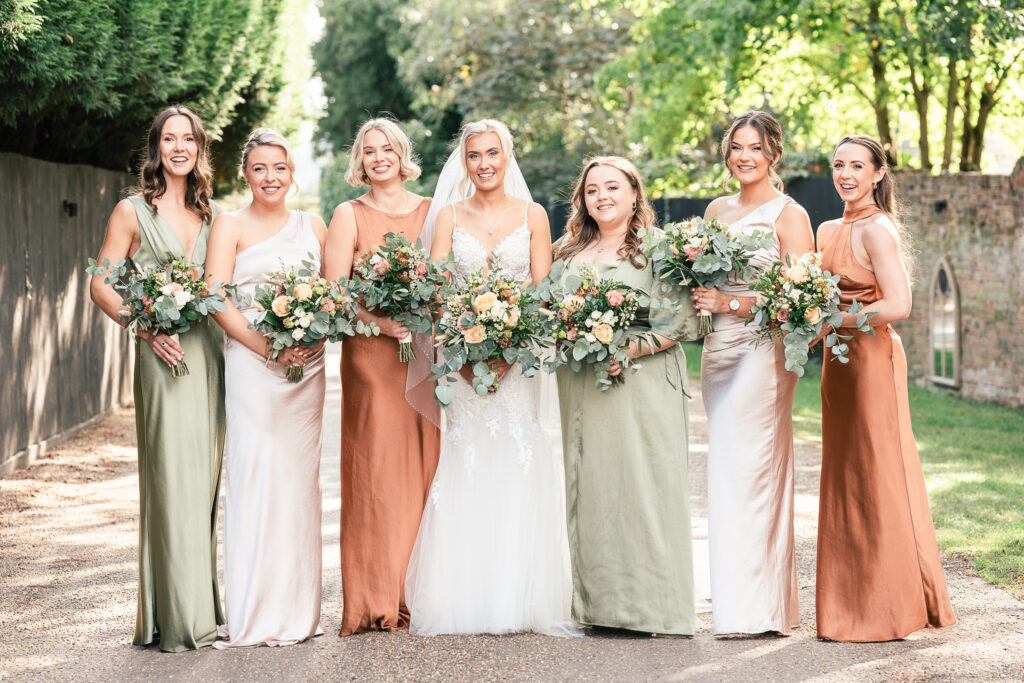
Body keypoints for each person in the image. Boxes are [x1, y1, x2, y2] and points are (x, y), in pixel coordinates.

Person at [404, 120, 576, 636]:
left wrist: (510, 349)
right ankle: (466, 597)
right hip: (461, 362)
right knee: (468, 461)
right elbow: (436, 290)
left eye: (492, 154)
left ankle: (520, 596)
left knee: (519, 457)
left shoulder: (534, 215)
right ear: (464, 161)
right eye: (474, 155)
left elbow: (541, 291)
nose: (483, 164)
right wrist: (464, 348)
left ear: (508, 156)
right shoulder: (449, 217)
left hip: (518, 364)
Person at [88, 105, 225, 651]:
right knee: (172, 479)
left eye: (187, 138)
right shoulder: (130, 211)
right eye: (168, 139)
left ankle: (205, 606)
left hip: (209, 354)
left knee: (206, 479)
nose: (178, 147)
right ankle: (176, 616)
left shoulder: (215, 214)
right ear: (155, 149)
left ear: (199, 148)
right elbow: (101, 285)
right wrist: (144, 329)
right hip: (161, 354)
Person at [814, 134, 956, 641]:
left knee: (878, 473)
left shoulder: (877, 229)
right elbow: (815, 299)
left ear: (878, 174)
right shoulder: (827, 227)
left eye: (857, 166)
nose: (845, 174)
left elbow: (899, 305)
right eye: (838, 165)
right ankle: (846, 605)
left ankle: (887, 607)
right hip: (838, 366)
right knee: (844, 476)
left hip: (872, 361)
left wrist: (840, 318)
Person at [553, 156, 701, 636]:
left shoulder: (660, 249)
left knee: (643, 486)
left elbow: (680, 322)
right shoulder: (566, 251)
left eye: (613, 187)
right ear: (583, 200)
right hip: (580, 382)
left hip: (643, 382)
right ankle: (601, 607)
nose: (603, 197)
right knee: (592, 487)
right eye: (592, 190)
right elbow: (549, 312)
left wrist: (625, 347)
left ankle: (654, 609)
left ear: (636, 194)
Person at [692, 110, 814, 636]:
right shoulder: (716, 209)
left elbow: (801, 299)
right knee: (726, 470)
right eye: (737, 147)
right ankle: (736, 603)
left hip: (763, 351)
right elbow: (699, 278)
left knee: (753, 469)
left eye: (755, 148)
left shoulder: (789, 214)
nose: (745, 156)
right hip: (717, 350)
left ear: (773, 155)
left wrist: (733, 303)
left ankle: (757, 609)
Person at [204, 128, 327, 648]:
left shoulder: (314, 224)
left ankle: (299, 611)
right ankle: (255, 611)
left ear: (291, 173)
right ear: (245, 174)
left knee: (299, 485)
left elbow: (333, 293)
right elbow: (215, 297)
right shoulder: (228, 225)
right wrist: (268, 347)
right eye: (259, 168)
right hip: (254, 365)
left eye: (279, 168)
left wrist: (315, 332)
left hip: (307, 372)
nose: (270, 177)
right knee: (255, 477)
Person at [323, 117, 441, 636]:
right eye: (368, 151)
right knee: (375, 472)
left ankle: (423, 591)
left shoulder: (434, 212)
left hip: (424, 357)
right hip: (369, 360)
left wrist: (419, 319)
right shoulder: (348, 214)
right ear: (360, 161)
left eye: (386, 148)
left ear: (401, 153)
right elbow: (333, 293)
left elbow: (447, 282)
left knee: (424, 466)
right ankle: (376, 597)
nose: (378, 157)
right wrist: (378, 322)